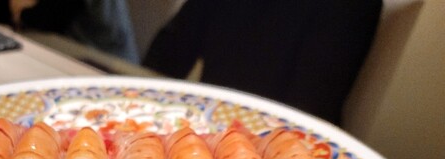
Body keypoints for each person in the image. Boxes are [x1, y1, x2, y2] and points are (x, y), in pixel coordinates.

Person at [143, 0, 382, 125]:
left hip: (288, 151)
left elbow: (307, 114)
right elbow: (165, 59)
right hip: (207, 126)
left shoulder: (352, 6)